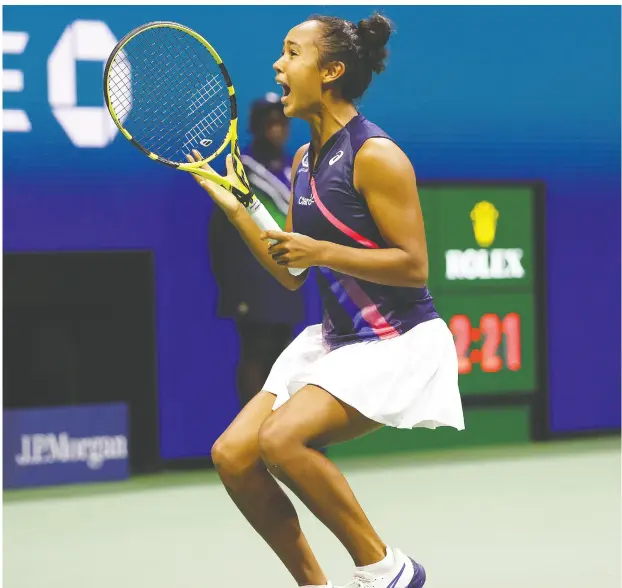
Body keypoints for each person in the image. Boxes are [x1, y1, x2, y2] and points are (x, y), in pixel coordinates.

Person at [187, 12, 464, 588]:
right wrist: (239, 210)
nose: (277, 66)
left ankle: (386, 569)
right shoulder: (304, 161)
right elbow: (291, 271)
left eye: (292, 54)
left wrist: (321, 251)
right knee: (233, 455)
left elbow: (414, 267)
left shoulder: (376, 155)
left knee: (281, 439)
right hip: (337, 340)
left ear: (331, 70)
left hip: (397, 339)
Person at [208, 93, 305, 408]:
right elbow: (221, 233)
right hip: (250, 281)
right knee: (256, 351)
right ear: (257, 126)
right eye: (269, 122)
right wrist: (233, 287)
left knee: (282, 354)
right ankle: (251, 435)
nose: (276, 128)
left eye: (281, 122)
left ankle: (278, 434)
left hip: (284, 279)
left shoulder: (293, 170)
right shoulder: (241, 167)